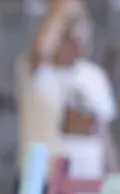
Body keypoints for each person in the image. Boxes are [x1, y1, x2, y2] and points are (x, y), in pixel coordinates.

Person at [17, 0, 117, 184]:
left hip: (86, 186)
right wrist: (63, 8)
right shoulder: (38, 72)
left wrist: (115, 176)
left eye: (82, 38)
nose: (79, 44)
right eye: (71, 39)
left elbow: (103, 134)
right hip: (42, 183)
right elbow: (40, 49)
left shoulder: (94, 75)